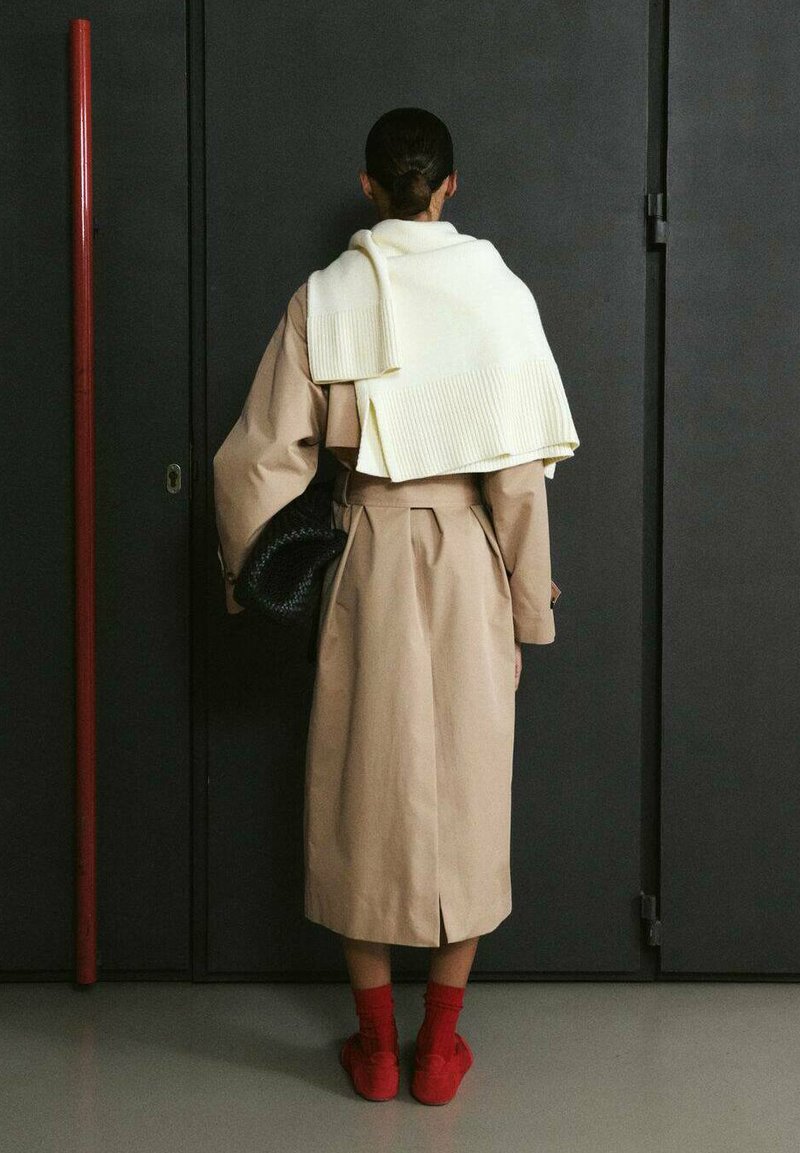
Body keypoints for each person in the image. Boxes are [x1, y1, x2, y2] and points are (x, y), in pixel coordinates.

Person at [213, 107, 578, 1106]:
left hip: (365, 550)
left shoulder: (323, 296)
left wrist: (254, 572)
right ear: (448, 186)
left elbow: (257, 459)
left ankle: (374, 1051)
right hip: (467, 554)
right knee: (471, 787)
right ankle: (438, 1051)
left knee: (359, 789)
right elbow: (518, 479)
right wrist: (528, 606)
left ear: (369, 186)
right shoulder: (499, 294)